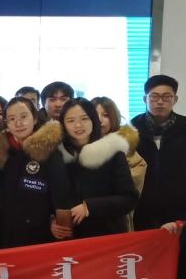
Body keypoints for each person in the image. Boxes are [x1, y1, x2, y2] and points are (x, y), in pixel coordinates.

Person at [0, 96, 73, 248]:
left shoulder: (49, 152)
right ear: (6, 123)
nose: (18, 123)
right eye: (12, 119)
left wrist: (55, 220)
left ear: (35, 118)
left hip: (40, 233)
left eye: (24, 117)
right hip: (6, 231)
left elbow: (61, 194)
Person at [131, 74, 186, 230]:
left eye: (166, 97)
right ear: (145, 99)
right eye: (154, 96)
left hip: (177, 214)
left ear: (175, 99)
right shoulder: (131, 133)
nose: (160, 102)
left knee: (178, 246)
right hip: (139, 213)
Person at [57, 98, 138, 238]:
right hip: (68, 238)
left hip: (106, 235)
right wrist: (52, 222)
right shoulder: (56, 155)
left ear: (93, 120)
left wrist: (89, 207)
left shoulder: (112, 152)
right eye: (70, 120)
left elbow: (129, 199)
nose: (78, 125)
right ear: (63, 124)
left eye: (84, 119)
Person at [94, 95, 147, 229]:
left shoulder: (123, 144)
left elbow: (138, 169)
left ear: (114, 117)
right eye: (94, 114)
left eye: (106, 115)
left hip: (117, 214)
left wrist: (110, 180)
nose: (99, 119)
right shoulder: (80, 144)